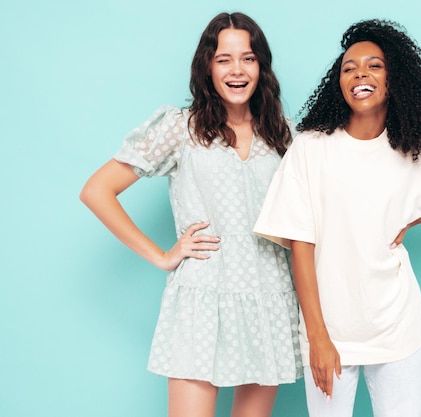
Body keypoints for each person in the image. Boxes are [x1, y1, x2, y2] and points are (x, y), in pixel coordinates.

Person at [254, 18, 421, 417]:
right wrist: (318, 336)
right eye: (349, 67)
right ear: (338, 82)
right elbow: (299, 245)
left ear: (395, 79)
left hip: (396, 324)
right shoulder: (311, 148)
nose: (360, 73)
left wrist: (412, 219)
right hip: (330, 330)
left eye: (374, 65)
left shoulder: (414, 151)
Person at [80, 12, 302, 417]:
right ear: (207, 67)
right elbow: (97, 190)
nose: (237, 70)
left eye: (248, 58)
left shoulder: (286, 134)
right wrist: (162, 256)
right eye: (224, 59)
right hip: (203, 297)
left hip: (270, 296)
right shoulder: (182, 128)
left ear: (261, 66)